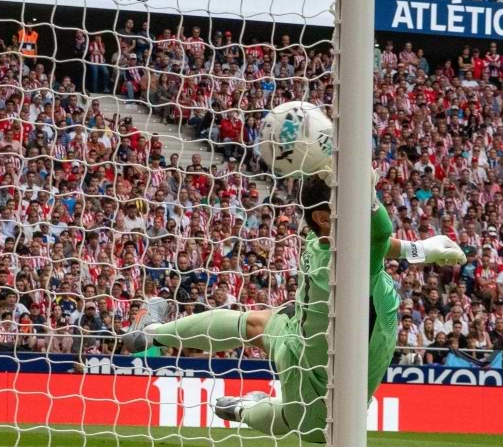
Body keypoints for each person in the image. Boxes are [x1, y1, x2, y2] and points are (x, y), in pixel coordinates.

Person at [121, 173, 464, 443]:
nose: (357, 209)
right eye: (350, 202)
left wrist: (421, 250)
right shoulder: (349, 259)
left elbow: (378, 241)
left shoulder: (319, 239)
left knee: (255, 324)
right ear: (323, 217)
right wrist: (370, 194)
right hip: (322, 392)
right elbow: (379, 231)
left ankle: (149, 333)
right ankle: (244, 409)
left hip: (305, 339)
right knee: (299, 421)